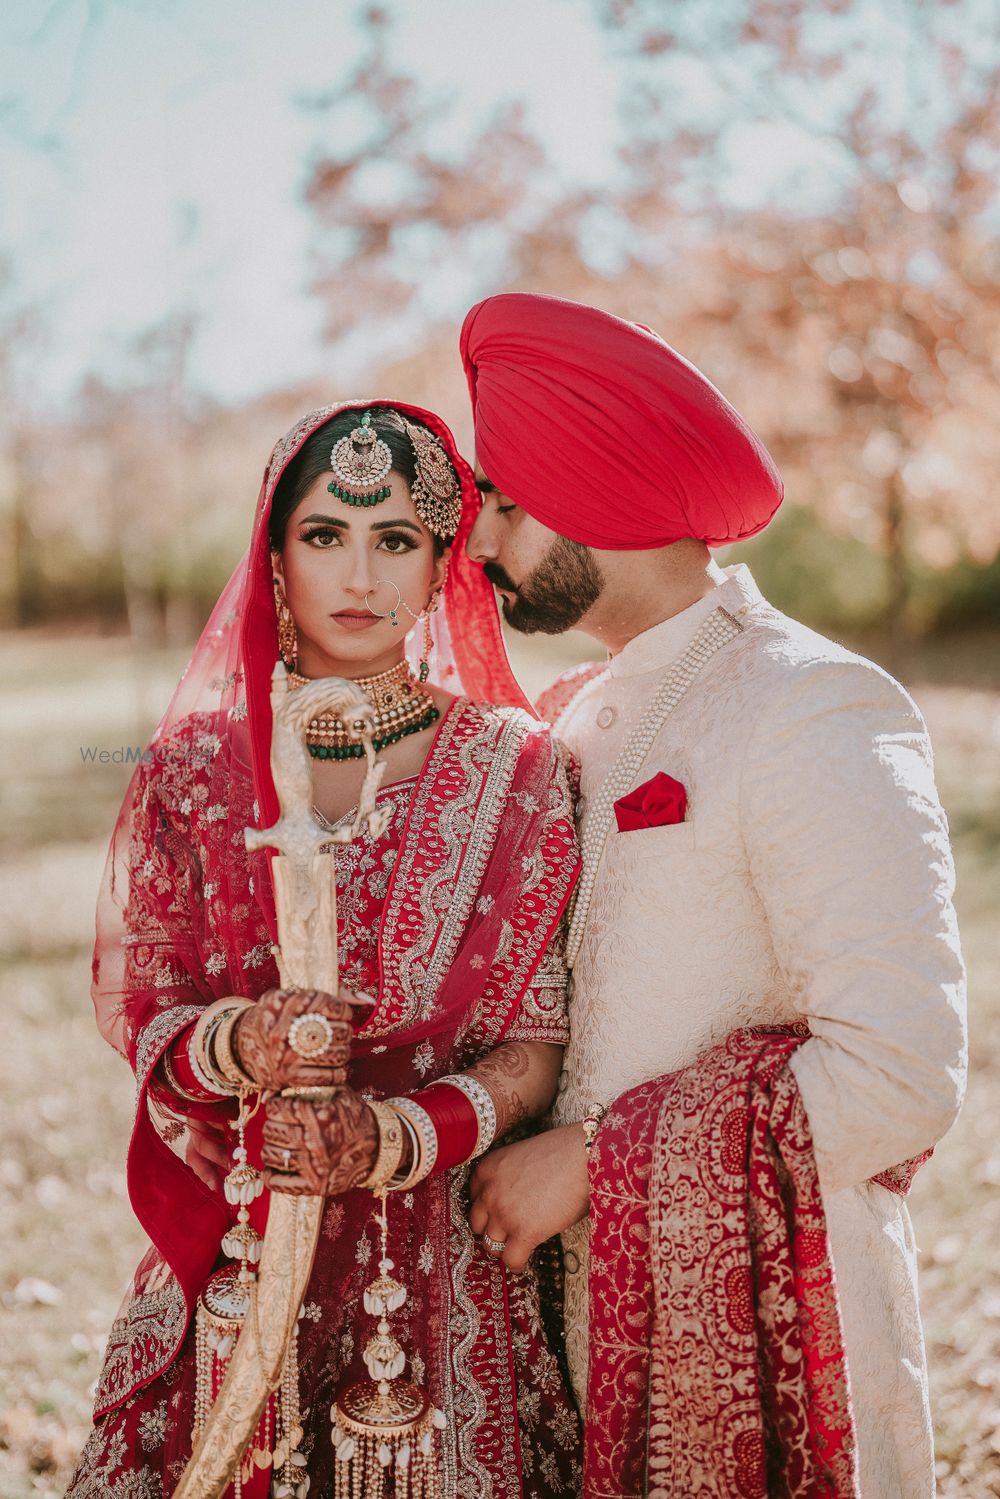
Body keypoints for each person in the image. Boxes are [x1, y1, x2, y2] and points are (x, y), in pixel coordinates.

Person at [460, 292, 967, 1498]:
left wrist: (597, 1158)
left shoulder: (812, 704)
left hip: (783, 1326)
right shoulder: (569, 721)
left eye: (511, 504)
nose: (479, 544)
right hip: (569, 1342)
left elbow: (900, 1070)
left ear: (599, 490)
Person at [67, 400, 583, 1499]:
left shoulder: (517, 768)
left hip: (440, 1278)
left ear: (444, 557)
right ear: (273, 551)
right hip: (241, 1258)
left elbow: (533, 1048)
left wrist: (388, 1135)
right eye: (324, 534)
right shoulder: (194, 769)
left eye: (396, 538)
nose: (360, 573)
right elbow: (150, 1013)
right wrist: (239, 1043)